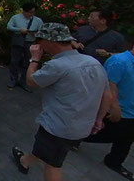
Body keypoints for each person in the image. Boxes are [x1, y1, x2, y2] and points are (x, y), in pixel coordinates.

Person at [11, 23, 111, 181]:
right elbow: (107, 95)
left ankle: (25, 161)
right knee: (48, 150)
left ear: (51, 41)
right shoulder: (93, 62)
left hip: (59, 126)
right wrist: (99, 119)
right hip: (82, 125)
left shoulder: (57, 66)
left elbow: (31, 81)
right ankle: (25, 161)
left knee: (53, 164)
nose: (38, 43)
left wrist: (34, 59)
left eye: (40, 39)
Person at [76, 35, 134, 180]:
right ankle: (73, 138)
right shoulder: (119, 62)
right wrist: (114, 105)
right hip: (120, 109)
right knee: (104, 133)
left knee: (128, 138)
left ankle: (114, 161)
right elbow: (109, 84)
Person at [6, 2, 43, 92]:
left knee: (27, 61)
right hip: (18, 40)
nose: (31, 14)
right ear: (24, 11)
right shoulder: (16, 17)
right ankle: (13, 79)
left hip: (30, 42)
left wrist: (35, 33)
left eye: (33, 12)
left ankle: (23, 81)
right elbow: (9, 27)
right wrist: (19, 30)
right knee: (14, 60)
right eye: (29, 12)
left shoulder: (38, 20)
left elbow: (42, 31)